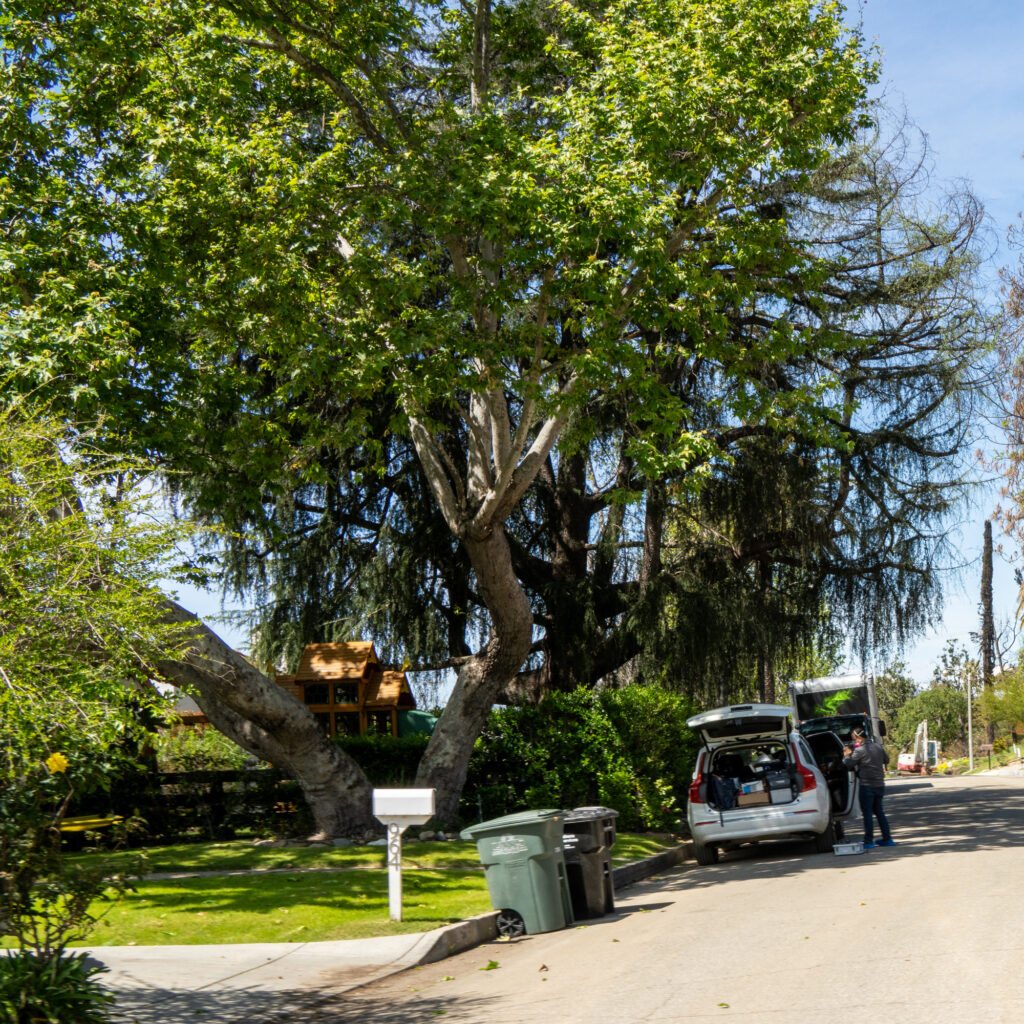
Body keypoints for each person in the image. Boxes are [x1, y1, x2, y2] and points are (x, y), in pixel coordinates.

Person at [842, 727, 896, 849]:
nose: (855, 742)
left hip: (867, 785)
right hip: (880, 784)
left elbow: (848, 764)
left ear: (859, 737)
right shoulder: (878, 747)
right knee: (879, 812)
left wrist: (846, 755)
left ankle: (869, 841)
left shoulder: (859, 750)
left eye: (854, 739)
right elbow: (886, 759)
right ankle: (887, 838)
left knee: (867, 813)